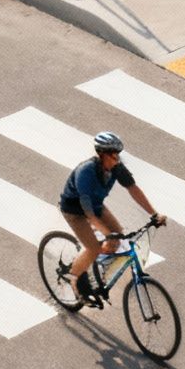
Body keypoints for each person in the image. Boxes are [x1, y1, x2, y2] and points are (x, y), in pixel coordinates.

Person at [58, 131, 166, 307]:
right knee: (93, 248)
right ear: (102, 155)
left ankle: (91, 265)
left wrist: (154, 214)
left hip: (97, 206)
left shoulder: (116, 167)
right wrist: (106, 234)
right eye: (113, 155)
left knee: (118, 235)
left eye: (118, 155)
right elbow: (89, 214)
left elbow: (133, 189)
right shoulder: (86, 173)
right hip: (76, 210)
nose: (117, 159)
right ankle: (74, 279)